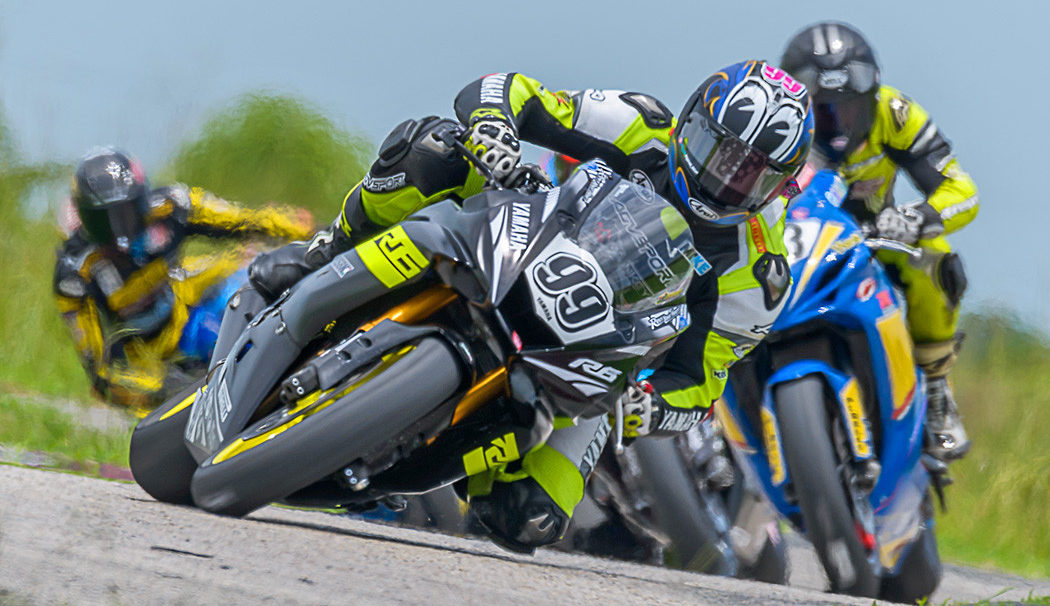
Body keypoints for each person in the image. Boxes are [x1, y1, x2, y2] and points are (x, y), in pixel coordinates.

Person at [249, 60, 813, 552]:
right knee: (435, 150)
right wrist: (494, 128)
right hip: (528, 237)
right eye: (714, 147)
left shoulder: (756, 271)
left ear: (781, 187)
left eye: (748, 173)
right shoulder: (642, 124)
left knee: (528, 518)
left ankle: (391, 470)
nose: (721, 175)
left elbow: (699, 380)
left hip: (597, 358)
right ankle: (328, 251)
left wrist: (652, 408)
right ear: (689, 119)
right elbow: (508, 89)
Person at [780, 22, 978, 461]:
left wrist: (916, 218)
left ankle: (936, 384)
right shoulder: (775, 128)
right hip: (790, 251)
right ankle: (710, 415)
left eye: (848, 109)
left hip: (873, 241)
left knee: (936, 262)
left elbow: (962, 189)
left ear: (871, 97)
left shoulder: (897, 114)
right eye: (824, 111)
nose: (838, 124)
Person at [53, 147, 315, 411]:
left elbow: (247, 220)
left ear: (142, 198)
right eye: (103, 220)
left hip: (188, 309)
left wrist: (317, 234)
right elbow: (101, 375)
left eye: (127, 213)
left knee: (256, 263)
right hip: (152, 365)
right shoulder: (73, 275)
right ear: (84, 218)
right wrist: (170, 390)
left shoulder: (172, 205)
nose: (119, 234)